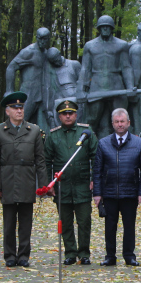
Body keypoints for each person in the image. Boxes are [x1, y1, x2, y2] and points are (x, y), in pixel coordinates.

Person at [0, 91, 48, 268]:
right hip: (7, 181)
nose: (19, 111)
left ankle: (23, 255)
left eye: (21, 108)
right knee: (8, 223)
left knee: (25, 222)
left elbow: (40, 160)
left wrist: (43, 185)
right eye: (15, 108)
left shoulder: (34, 130)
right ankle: (9, 255)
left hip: (26, 180)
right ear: (7, 111)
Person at [44, 99, 98, 265]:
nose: (68, 116)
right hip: (62, 186)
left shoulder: (87, 133)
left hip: (82, 185)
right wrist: (49, 183)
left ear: (76, 114)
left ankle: (84, 253)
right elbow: (46, 161)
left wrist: (94, 179)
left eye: (71, 113)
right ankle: (70, 253)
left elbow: (96, 157)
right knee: (65, 222)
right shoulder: (53, 135)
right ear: (59, 117)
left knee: (84, 222)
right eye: (64, 114)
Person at [93, 108, 141, 266]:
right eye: (116, 122)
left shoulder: (140, 144)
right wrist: (97, 193)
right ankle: (110, 256)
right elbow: (97, 170)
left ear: (128, 123)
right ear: (112, 124)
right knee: (110, 227)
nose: (120, 124)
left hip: (130, 192)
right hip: (109, 192)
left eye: (122, 121)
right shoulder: (103, 143)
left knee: (129, 227)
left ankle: (129, 256)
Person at [78, 15, 136, 140]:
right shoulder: (90, 46)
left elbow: (126, 67)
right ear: (99, 28)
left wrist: (130, 86)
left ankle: (124, 147)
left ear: (112, 28)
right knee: (90, 120)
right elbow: (85, 69)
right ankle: (86, 148)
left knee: (120, 120)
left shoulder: (121, 45)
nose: (105, 29)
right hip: (96, 87)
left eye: (107, 27)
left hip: (116, 86)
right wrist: (81, 90)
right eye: (102, 27)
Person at [5, 28, 54, 132]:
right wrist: (9, 90)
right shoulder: (28, 52)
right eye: (40, 39)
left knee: (42, 128)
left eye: (45, 39)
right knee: (19, 122)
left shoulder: (46, 53)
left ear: (48, 39)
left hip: (42, 96)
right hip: (28, 94)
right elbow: (11, 67)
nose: (42, 42)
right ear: (36, 38)